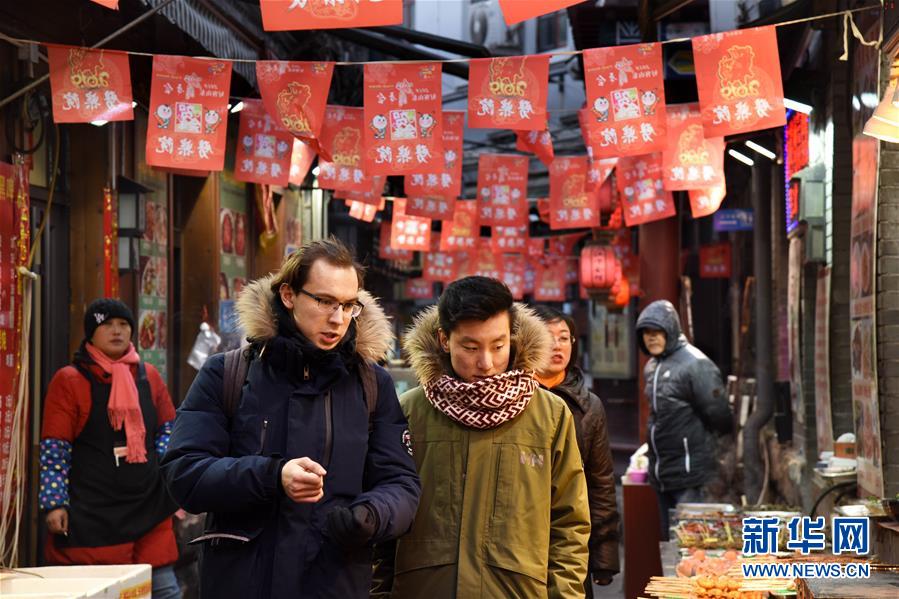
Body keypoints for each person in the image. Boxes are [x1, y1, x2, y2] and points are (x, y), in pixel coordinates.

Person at [161, 238, 421, 599]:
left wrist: (372, 514)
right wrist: (271, 475)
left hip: (334, 582)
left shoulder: (371, 385)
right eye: (324, 301)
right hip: (242, 583)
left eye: (348, 306)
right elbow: (183, 474)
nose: (337, 319)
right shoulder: (229, 373)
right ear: (288, 295)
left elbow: (402, 485)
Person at [372, 276, 590, 598]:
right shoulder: (409, 412)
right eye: (470, 347)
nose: (486, 363)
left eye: (498, 346)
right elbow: (384, 523)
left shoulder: (550, 415)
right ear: (444, 340)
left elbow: (569, 524)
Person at [40, 298, 181, 598]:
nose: (116, 331)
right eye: (107, 325)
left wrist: (168, 477)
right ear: (91, 333)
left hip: (148, 507)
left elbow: (169, 430)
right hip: (92, 512)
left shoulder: (149, 375)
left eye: (123, 324)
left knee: (165, 591)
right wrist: (54, 502)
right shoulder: (70, 380)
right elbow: (56, 448)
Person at [533, 306, 620, 595]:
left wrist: (604, 557)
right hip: (522, 534)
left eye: (564, 337)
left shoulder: (589, 405)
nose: (558, 346)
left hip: (571, 537)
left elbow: (601, 482)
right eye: (548, 337)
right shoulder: (513, 398)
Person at [635, 300, 732, 540]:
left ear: (670, 330)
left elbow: (720, 415)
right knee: (669, 542)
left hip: (690, 473)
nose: (651, 338)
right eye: (646, 333)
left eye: (657, 332)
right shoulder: (652, 366)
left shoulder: (695, 364)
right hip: (662, 472)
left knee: (692, 541)